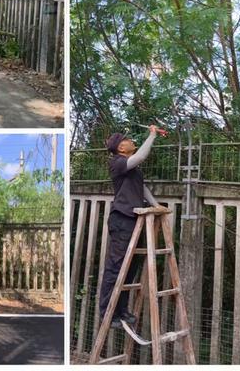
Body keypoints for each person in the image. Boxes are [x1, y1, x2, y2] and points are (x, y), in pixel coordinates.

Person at [99, 126, 161, 328]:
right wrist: (152, 134)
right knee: (116, 267)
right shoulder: (117, 163)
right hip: (122, 219)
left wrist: (155, 205)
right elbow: (141, 156)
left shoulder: (131, 168)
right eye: (126, 139)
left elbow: (141, 187)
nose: (130, 140)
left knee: (130, 267)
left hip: (135, 219)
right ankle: (108, 312)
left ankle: (122, 310)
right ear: (120, 148)